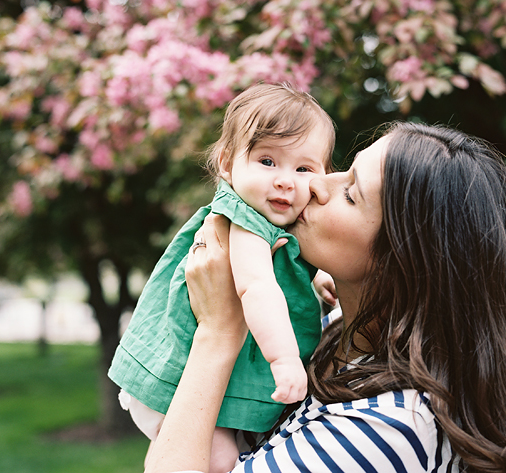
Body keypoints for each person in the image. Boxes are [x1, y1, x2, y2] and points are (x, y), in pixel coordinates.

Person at [143, 121, 506, 473]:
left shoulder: (389, 430)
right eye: (344, 170)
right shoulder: (335, 332)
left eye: (350, 193)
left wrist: (218, 333)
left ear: (403, 258)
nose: (316, 186)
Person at [108, 83, 337, 471]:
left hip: (211, 378)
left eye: (303, 168)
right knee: (218, 460)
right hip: (179, 377)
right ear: (228, 164)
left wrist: (317, 278)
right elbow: (257, 285)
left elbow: (285, 266)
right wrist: (283, 360)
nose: (285, 180)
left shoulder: (276, 218)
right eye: (267, 161)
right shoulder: (245, 221)